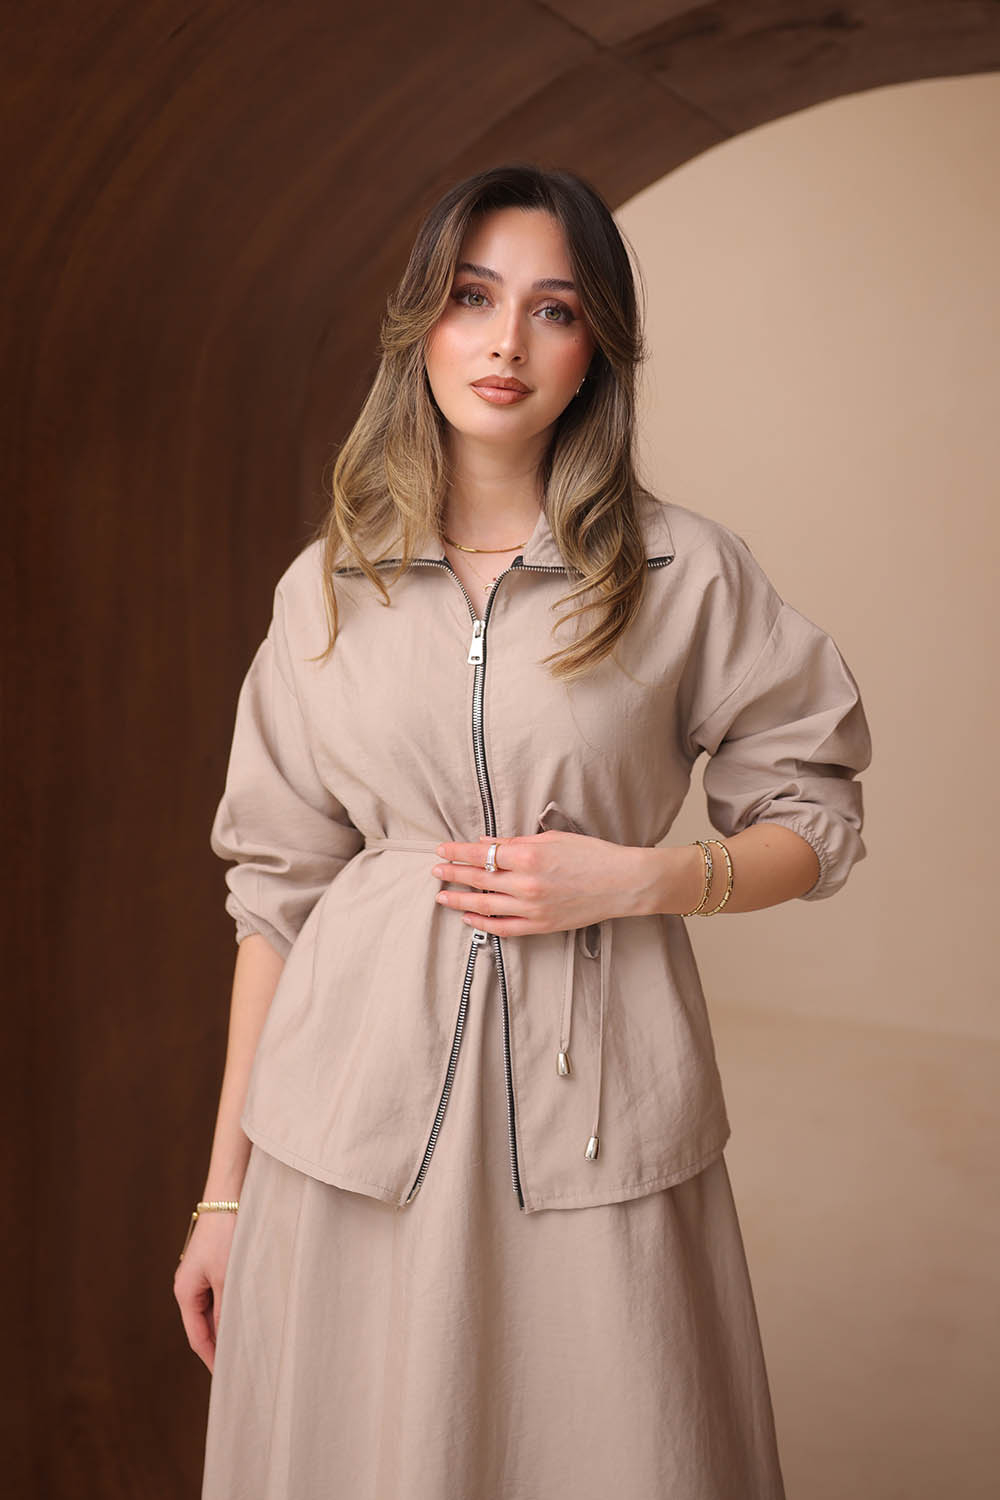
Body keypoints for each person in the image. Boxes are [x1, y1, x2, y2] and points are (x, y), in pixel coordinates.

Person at [175, 162, 872, 1499]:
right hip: (345, 1132)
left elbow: (815, 812)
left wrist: (643, 878)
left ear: (596, 344)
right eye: (472, 297)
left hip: (600, 1115)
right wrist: (225, 1195)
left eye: (553, 309)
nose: (505, 343)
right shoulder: (326, 587)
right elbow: (275, 904)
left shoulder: (684, 572)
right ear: (420, 323)